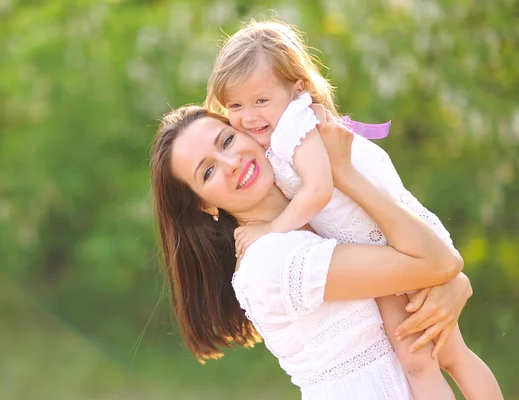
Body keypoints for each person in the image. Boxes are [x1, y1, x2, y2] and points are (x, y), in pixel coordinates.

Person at [204, 20, 502, 400]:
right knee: (442, 355)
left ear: (297, 89)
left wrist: (271, 230)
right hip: (381, 243)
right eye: (235, 105)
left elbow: (317, 191)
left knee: (425, 359)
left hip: (388, 241)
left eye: (261, 101)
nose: (248, 116)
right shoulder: (271, 134)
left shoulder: (298, 128)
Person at [150, 103, 472, 399]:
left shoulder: (322, 215)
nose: (231, 163)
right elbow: (437, 261)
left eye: (227, 141)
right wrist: (343, 174)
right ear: (204, 205)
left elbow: (428, 266)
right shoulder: (269, 263)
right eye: (207, 172)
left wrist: (451, 283)